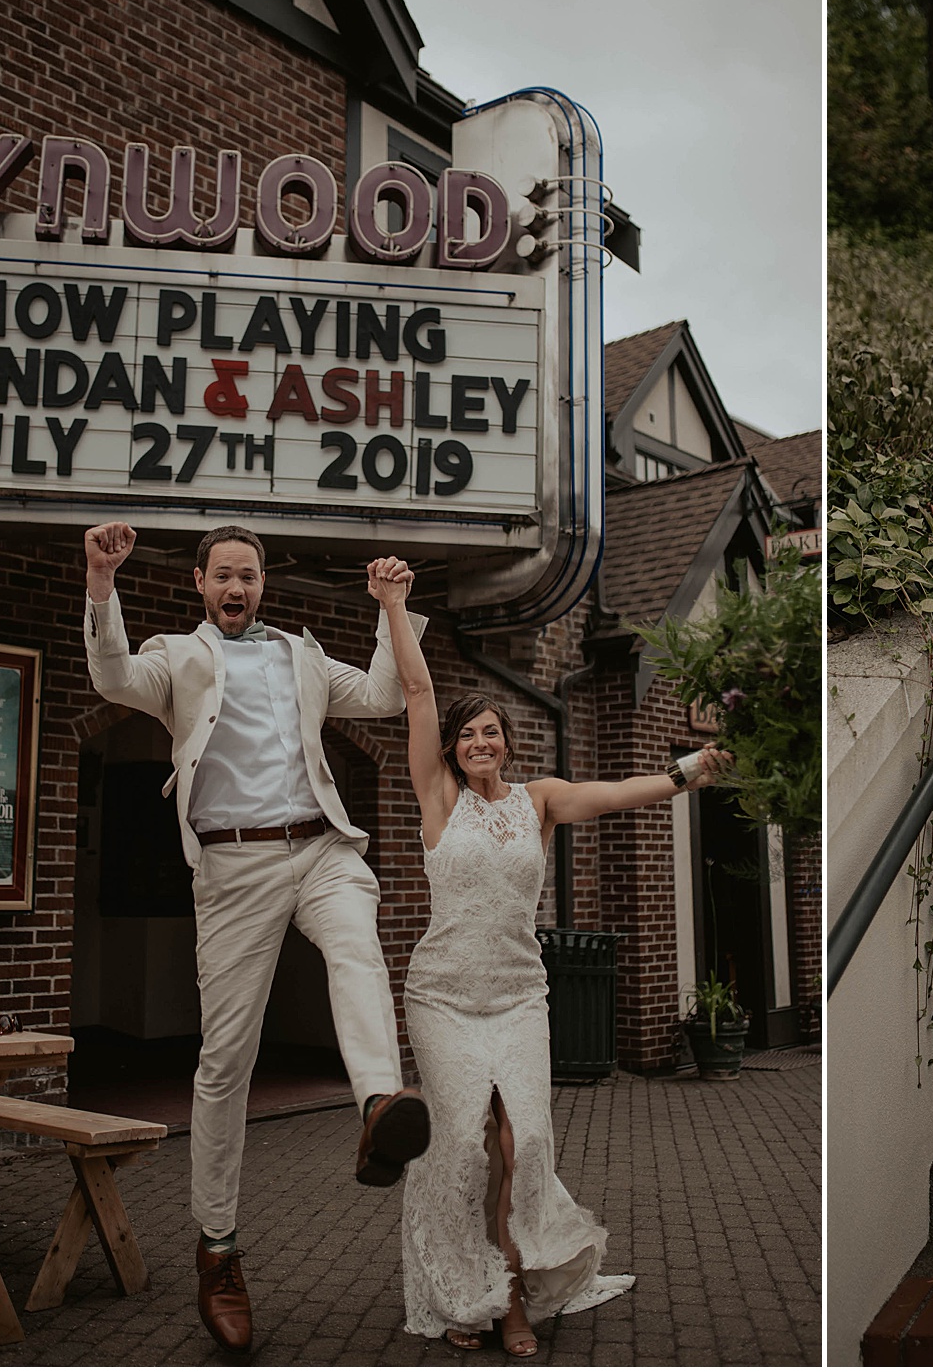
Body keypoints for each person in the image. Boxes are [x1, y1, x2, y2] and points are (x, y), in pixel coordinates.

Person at [81, 521, 433, 1354]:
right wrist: (102, 584)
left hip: (319, 844)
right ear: (201, 583)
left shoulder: (302, 657)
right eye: (223, 576)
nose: (237, 588)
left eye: (250, 575)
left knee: (356, 945)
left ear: (264, 584)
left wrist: (393, 607)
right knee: (224, 1063)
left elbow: (384, 696)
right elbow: (114, 674)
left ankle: (379, 1102)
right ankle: (218, 1250)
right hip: (233, 869)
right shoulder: (176, 656)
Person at [367, 557, 731, 1358]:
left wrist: (687, 771)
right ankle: (484, 1298)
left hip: (519, 997)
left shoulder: (540, 801)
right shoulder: (439, 800)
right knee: (462, 1146)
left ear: (507, 738)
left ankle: (517, 1282)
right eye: (467, 734)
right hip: (443, 998)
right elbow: (421, 694)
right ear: (454, 750)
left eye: (490, 729)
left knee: (523, 1141)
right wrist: (396, 603)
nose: (479, 740)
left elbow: (615, 792)